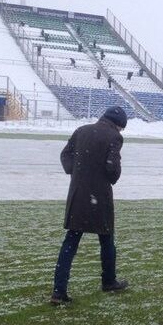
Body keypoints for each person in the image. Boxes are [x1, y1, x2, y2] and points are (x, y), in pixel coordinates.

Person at [50, 106, 129, 304]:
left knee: (70, 241)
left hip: (78, 194)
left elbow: (65, 155)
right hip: (99, 196)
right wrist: (112, 174)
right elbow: (112, 170)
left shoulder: (81, 130)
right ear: (118, 125)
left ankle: (59, 291)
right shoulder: (114, 137)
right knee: (107, 239)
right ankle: (109, 280)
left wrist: (75, 171)